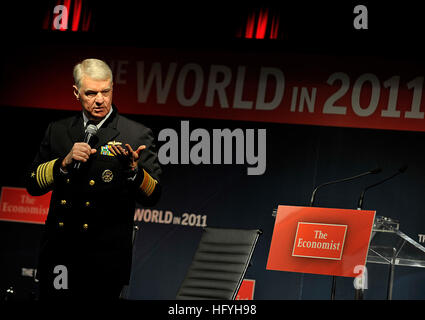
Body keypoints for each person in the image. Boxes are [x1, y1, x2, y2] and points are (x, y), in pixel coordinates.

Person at [25, 58, 162, 300]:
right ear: (76, 92)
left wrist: (134, 171)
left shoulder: (135, 133)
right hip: (60, 254)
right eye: (91, 93)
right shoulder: (58, 130)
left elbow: (154, 195)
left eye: (105, 91)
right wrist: (62, 164)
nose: (100, 99)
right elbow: (33, 184)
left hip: (105, 260)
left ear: (112, 89)